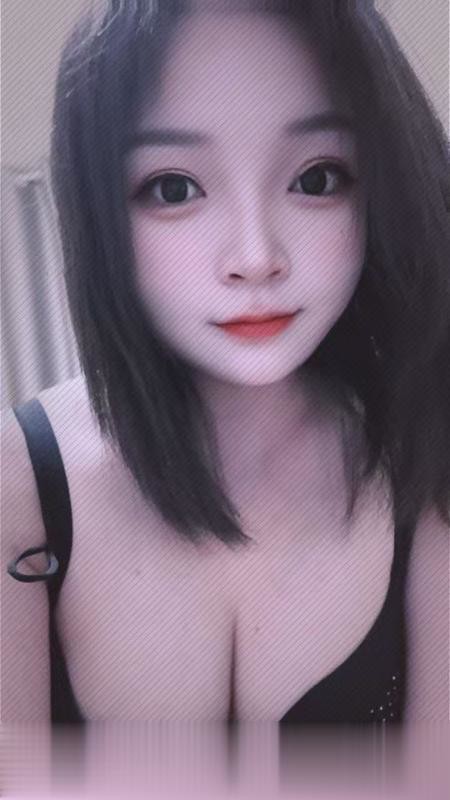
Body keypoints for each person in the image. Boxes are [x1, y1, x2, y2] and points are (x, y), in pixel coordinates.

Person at [2, 0, 449, 724]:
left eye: (317, 178)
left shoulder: (422, 461)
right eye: (174, 188)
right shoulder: (18, 480)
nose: (255, 257)